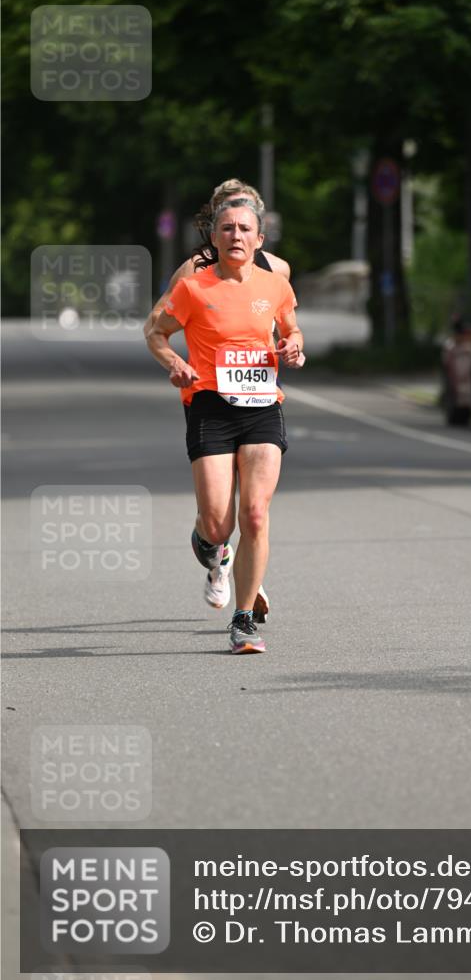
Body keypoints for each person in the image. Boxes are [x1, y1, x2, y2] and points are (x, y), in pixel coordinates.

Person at [145, 197, 304, 654]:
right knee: (219, 523)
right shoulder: (194, 288)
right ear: (213, 238)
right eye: (227, 229)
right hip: (210, 406)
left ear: (260, 239)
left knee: (255, 514)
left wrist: (293, 347)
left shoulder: (275, 286)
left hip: (261, 406)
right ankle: (209, 545)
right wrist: (174, 362)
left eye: (245, 229)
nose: (236, 235)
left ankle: (243, 619)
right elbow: (157, 332)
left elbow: (291, 330)